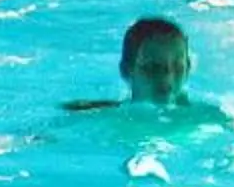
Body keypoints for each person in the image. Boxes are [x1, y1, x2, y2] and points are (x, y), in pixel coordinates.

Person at [62, 15, 222, 119]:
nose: (167, 81)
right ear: (126, 71)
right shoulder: (102, 116)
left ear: (188, 69)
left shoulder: (211, 117)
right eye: (153, 69)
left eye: (178, 68)